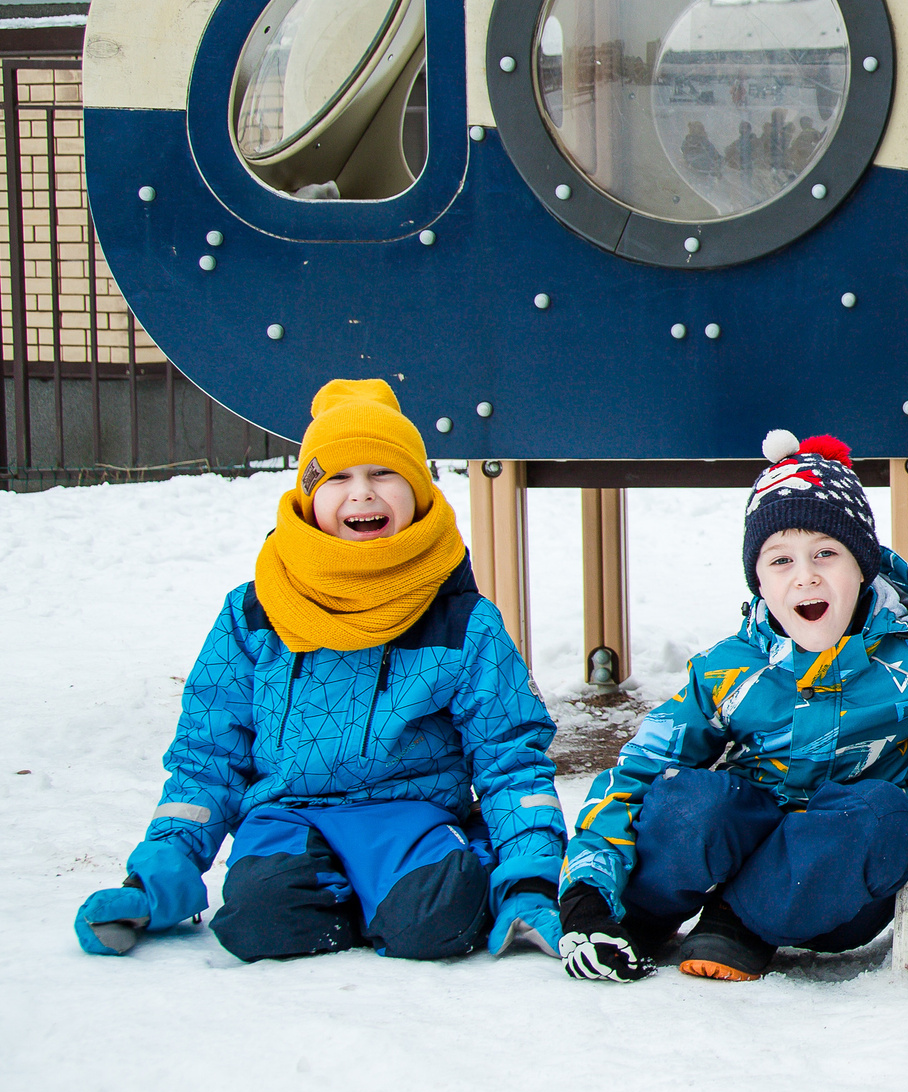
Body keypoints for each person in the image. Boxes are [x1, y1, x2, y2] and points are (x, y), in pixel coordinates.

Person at [72, 379, 564, 965]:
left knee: (434, 927)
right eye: (337, 477)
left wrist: (528, 882)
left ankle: (457, 872)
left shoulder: (461, 621)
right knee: (258, 924)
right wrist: (163, 869)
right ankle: (346, 894)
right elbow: (210, 752)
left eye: (384, 474)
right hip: (289, 815)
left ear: (419, 490)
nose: (362, 495)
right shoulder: (256, 612)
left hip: (410, 817)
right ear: (309, 496)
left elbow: (509, 755)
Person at [556, 431, 908, 982]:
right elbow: (636, 772)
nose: (805, 575)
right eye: (780, 561)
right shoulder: (730, 669)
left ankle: (737, 920)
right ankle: (638, 915)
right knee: (692, 800)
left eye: (826, 553)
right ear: (759, 583)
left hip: (826, 886)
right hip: (745, 830)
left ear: (864, 566)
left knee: (880, 817)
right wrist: (587, 893)